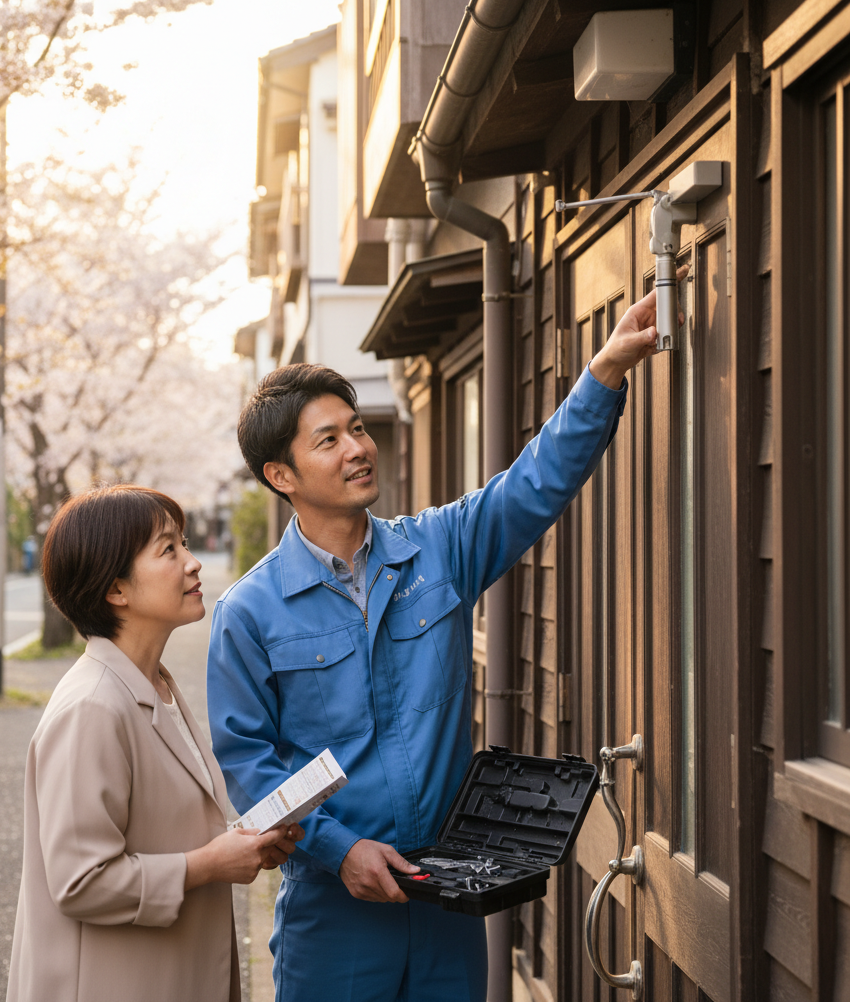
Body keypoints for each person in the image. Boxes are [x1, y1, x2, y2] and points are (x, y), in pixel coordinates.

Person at [206, 283, 674, 1001]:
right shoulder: (250, 612)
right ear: (282, 476)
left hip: (448, 896)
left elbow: (534, 484)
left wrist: (605, 369)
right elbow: (250, 768)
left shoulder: (438, 549)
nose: (358, 448)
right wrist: (339, 851)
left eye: (356, 428)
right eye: (328, 440)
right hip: (334, 915)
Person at [6, 484, 302, 1002]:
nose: (193, 564)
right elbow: (81, 880)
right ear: (116, 589)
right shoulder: (92, 707)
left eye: (184, 544)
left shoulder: (151, 683)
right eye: (169, 550)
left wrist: (243, 843)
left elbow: (160, 827)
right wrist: (211, 863)